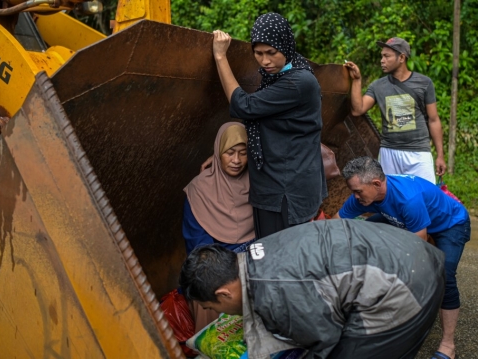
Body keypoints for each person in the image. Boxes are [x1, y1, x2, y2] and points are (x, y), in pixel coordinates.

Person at [179, 219, 445, 359]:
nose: (217, 313)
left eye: (210, 307)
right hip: (411, 251)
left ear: (224, 294)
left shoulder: (273, 294)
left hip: (406, 287)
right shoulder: (253, 254)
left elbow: (325, 338)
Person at [333, 156, 470, 359]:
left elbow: (416, 249)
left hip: (450, 224)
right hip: (407, 220)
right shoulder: (363, 196)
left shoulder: (407, 198)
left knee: (444, 276)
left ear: (376, 184)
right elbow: (336, 224)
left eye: (357, 191)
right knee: (362, 233)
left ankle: (448, 345)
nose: (354, 196)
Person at [210, 12, 327, 238]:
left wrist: (220, 57)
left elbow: (244, 106)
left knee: (281, 256)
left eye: (271, 53)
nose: (265, 61)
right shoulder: (285, 72)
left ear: (285, 45)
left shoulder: (298, 82)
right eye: (258, 53)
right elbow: (265, 122)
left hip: (286, 190)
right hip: (280, 183)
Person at [344, 37, 446, 184]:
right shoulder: (378, 86)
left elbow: (434, 119)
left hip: (419, 154)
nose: (382, 60)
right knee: (390, 201)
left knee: (424, 198)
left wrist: (440, 155)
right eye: (381, 56)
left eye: (387, 56)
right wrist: (357, 80)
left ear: (401, 58)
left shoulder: (424, 83)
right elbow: (357, 110)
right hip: (389, 153)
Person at [183, 121, 255, 255]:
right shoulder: (199, 190)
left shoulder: (256, 179)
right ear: (218, 152)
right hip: (223, 261)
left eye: (243, 153)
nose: (236, 160)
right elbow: (200, 247)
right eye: (230, 152)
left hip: (260, 247)